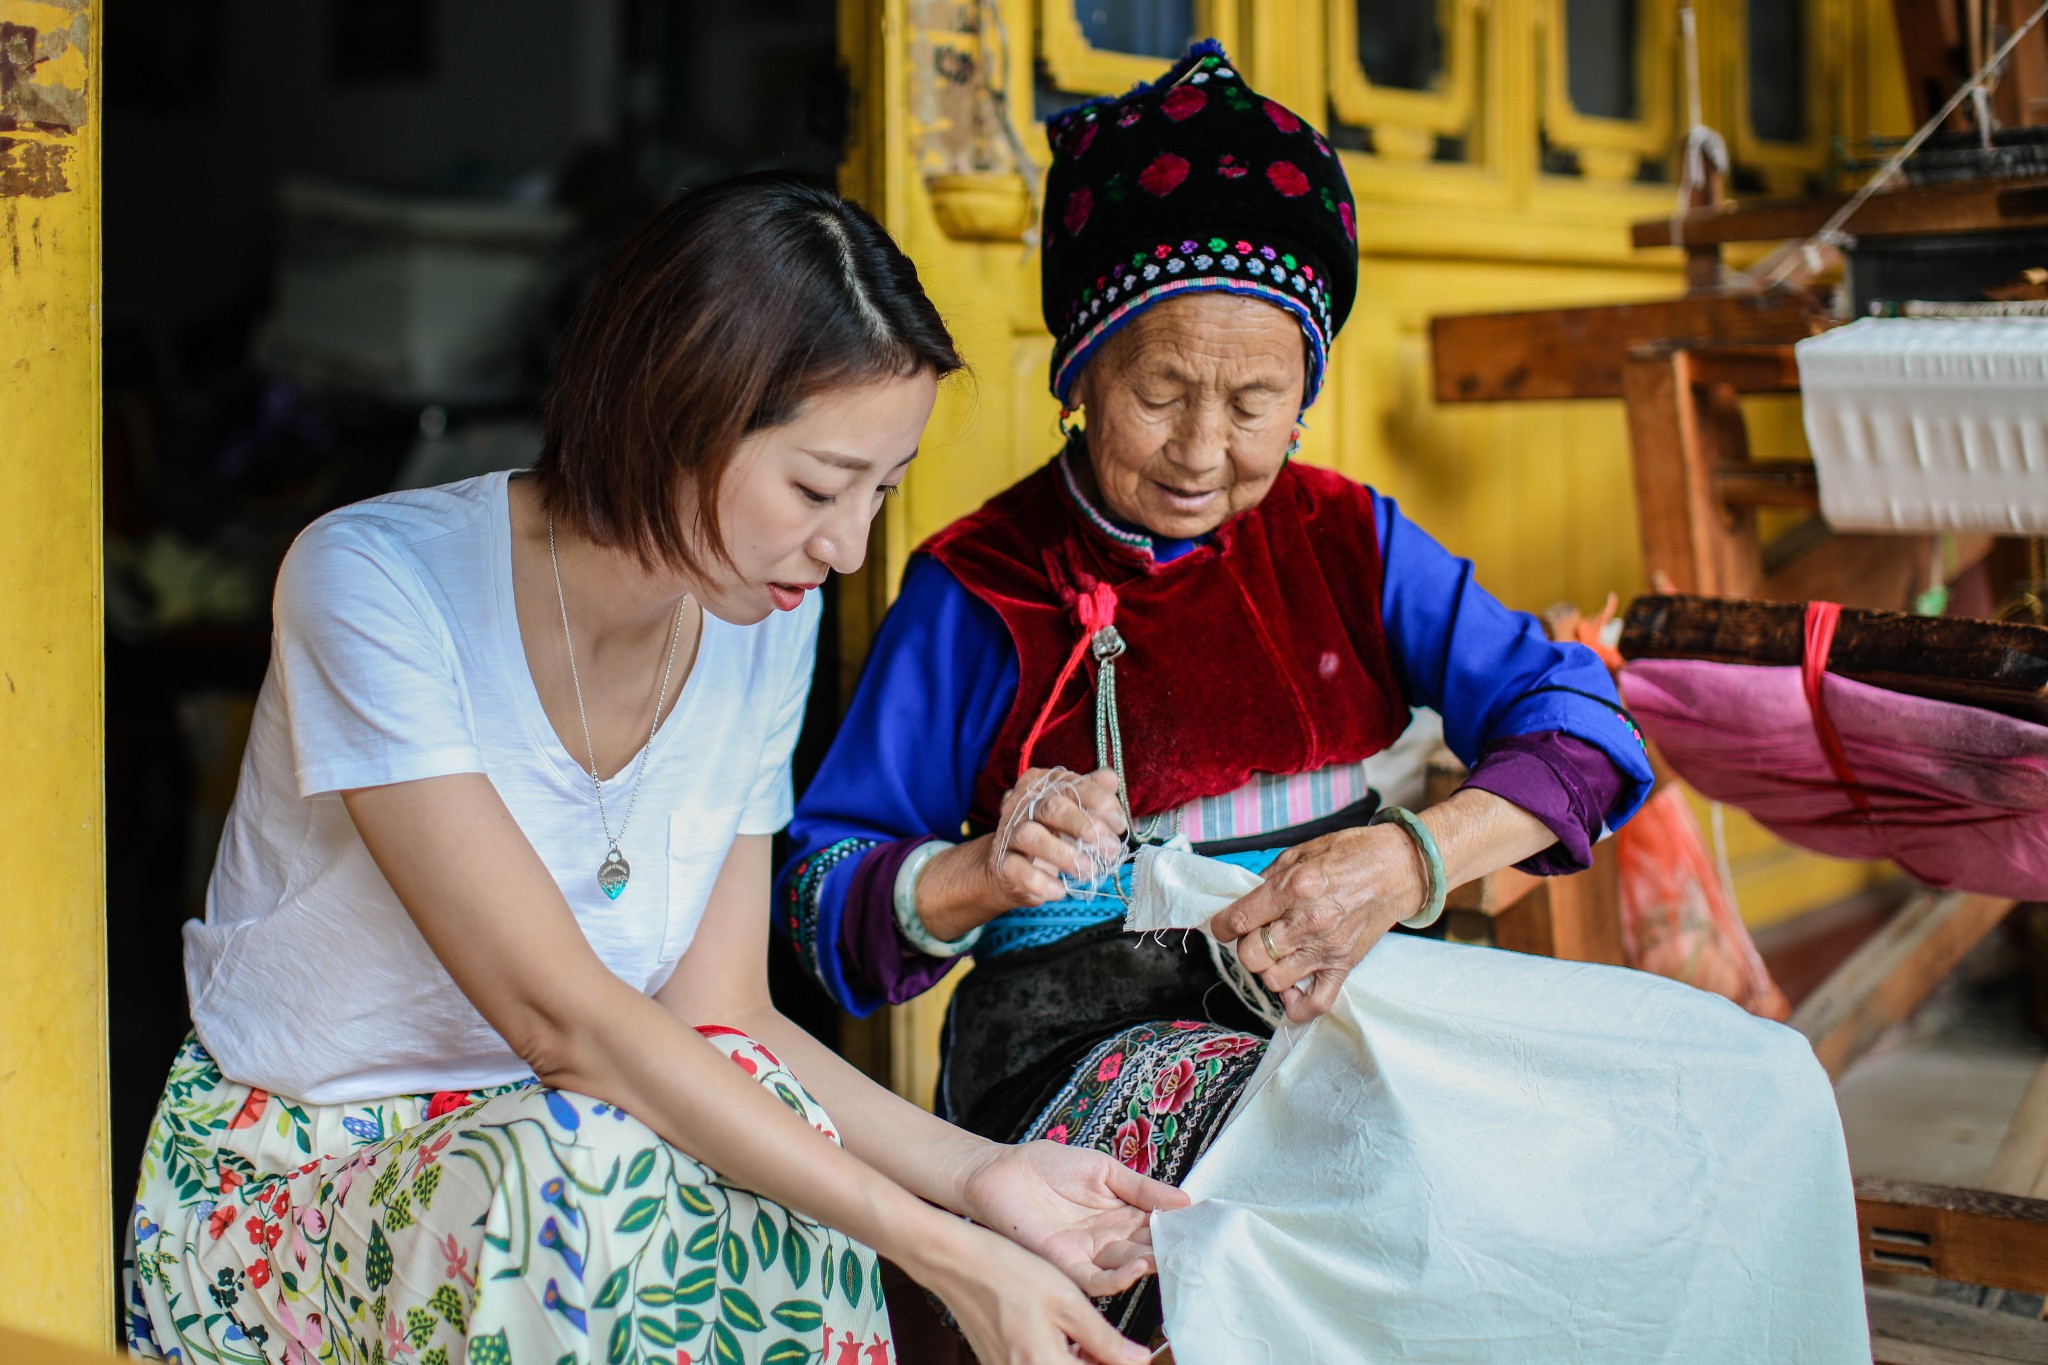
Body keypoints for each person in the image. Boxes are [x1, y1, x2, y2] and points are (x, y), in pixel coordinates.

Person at [122, 173, 1187, 1365]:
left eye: (878, 494)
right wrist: (944, 1256)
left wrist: (984, 1181)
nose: (844, 548)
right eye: (817, 487)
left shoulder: (757, 618)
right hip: (299, 1195)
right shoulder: (373, 583)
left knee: (714, 1103)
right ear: (677, 413)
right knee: (579, 1152)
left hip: (582, 1169)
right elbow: (563, 1024)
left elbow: (719, 1015)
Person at [778, 46, 1656, 1336]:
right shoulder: (980, 589)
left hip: (1353, 1014)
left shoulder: (1345, 539)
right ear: (1075, 378)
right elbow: (813, 902)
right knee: (1284, 1166)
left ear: (1306, 392)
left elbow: (1582, 724)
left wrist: (1409, 860)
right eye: (1158, 393)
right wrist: (977, 872)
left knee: (1635, 1123)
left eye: (1254, 401)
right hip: (1074, 1058)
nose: (1202, 452)